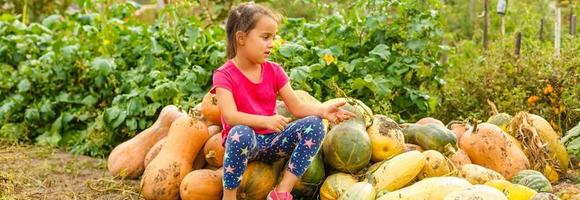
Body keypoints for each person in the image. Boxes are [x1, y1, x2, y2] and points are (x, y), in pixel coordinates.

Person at [211, 2, 356, 200]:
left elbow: (296, 107)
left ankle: (281, 193)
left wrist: (322, 111)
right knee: (239, 133)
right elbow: (229, 116)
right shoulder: (224, 74)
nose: (272, 43)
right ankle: (229, 197)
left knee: (315, 126)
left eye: (273, 37)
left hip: (272, 142)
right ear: (241, 38)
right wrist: (265, 121)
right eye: (265, 37)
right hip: (245, 142)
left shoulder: (274, 70)